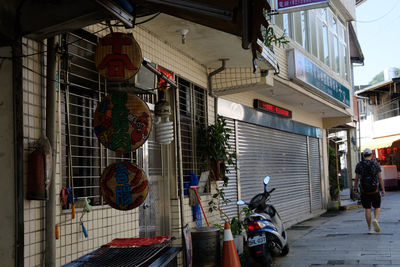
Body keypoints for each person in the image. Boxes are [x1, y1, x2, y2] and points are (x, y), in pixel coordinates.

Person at [353, 148, 385, 234]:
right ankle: (375, 219)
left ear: (363, 155)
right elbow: (380, 178)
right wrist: (383, 189)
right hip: (374, 190)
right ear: (371, 155)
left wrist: (354, 189)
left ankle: (370, 228)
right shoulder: (375, 163)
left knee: (367, 208)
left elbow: (356, 179)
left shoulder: (359, 164)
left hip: (364, 191)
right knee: (377, 206)